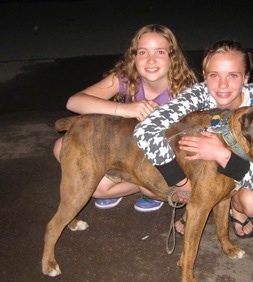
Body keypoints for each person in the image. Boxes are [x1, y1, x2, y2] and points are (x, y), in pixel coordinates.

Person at [134, 39, 253, 237]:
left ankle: (237, 210)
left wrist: (221, 154)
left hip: (240, 170)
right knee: (149, 187)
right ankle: (197, 202)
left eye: (233, 75)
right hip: (200, 169)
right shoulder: (197, 95)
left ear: (246, 77)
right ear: (205, 77)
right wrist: (181, 183)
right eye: (214, 75)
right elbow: (144, 131)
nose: (223, 85)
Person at [53, 24, 198, 212]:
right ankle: (137, 187)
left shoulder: (186, 92)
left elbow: (188, 149)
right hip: (123, 149)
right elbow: (74, 102)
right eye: (143, 52)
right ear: (134, 57)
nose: (151, 60)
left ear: (173, 57)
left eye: (160, 52)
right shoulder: (126, 78)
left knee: (150, 184)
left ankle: (149, 190)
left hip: (158, 163)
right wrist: (125, 109)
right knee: (63, 148)